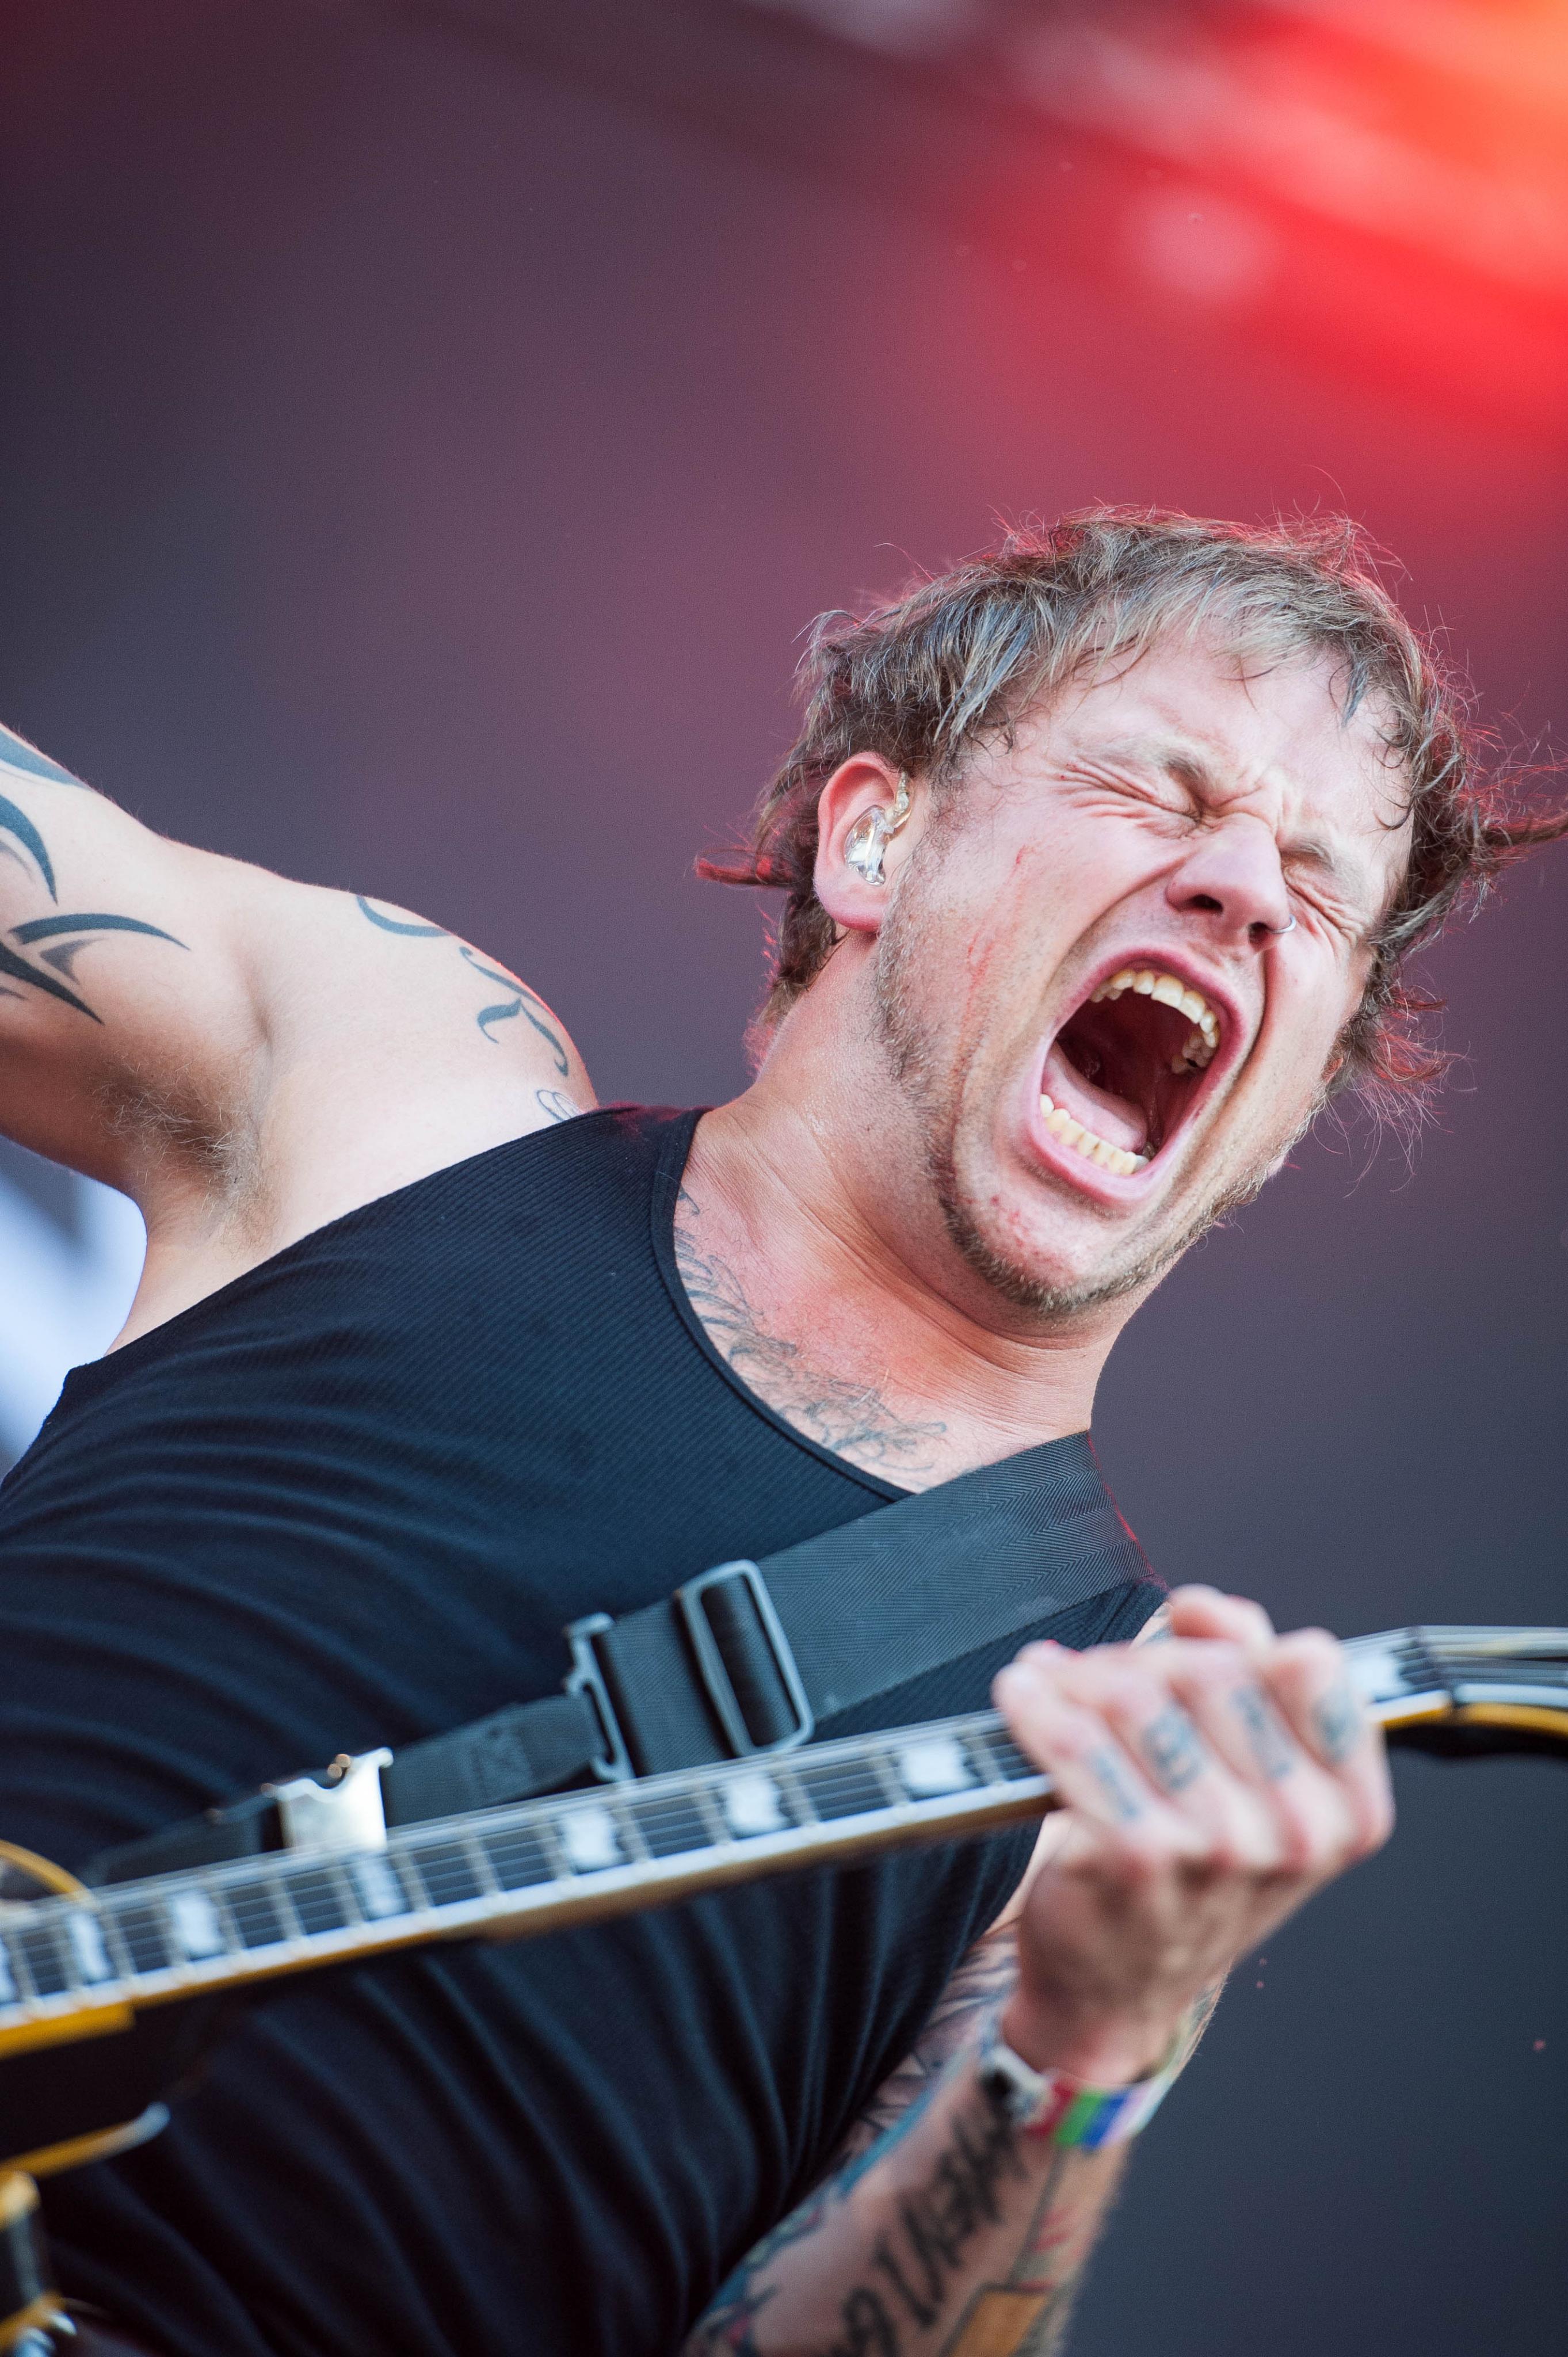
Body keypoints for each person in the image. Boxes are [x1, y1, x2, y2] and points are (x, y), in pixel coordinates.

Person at [0, 510, 1545, 2357]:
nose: (1239, 888)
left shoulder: (1092, 1765)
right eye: (1160, 790)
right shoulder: (402, 1096)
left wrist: (1081, 2054)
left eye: (1317, 889)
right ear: (873, 836)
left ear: (1293, 1106)